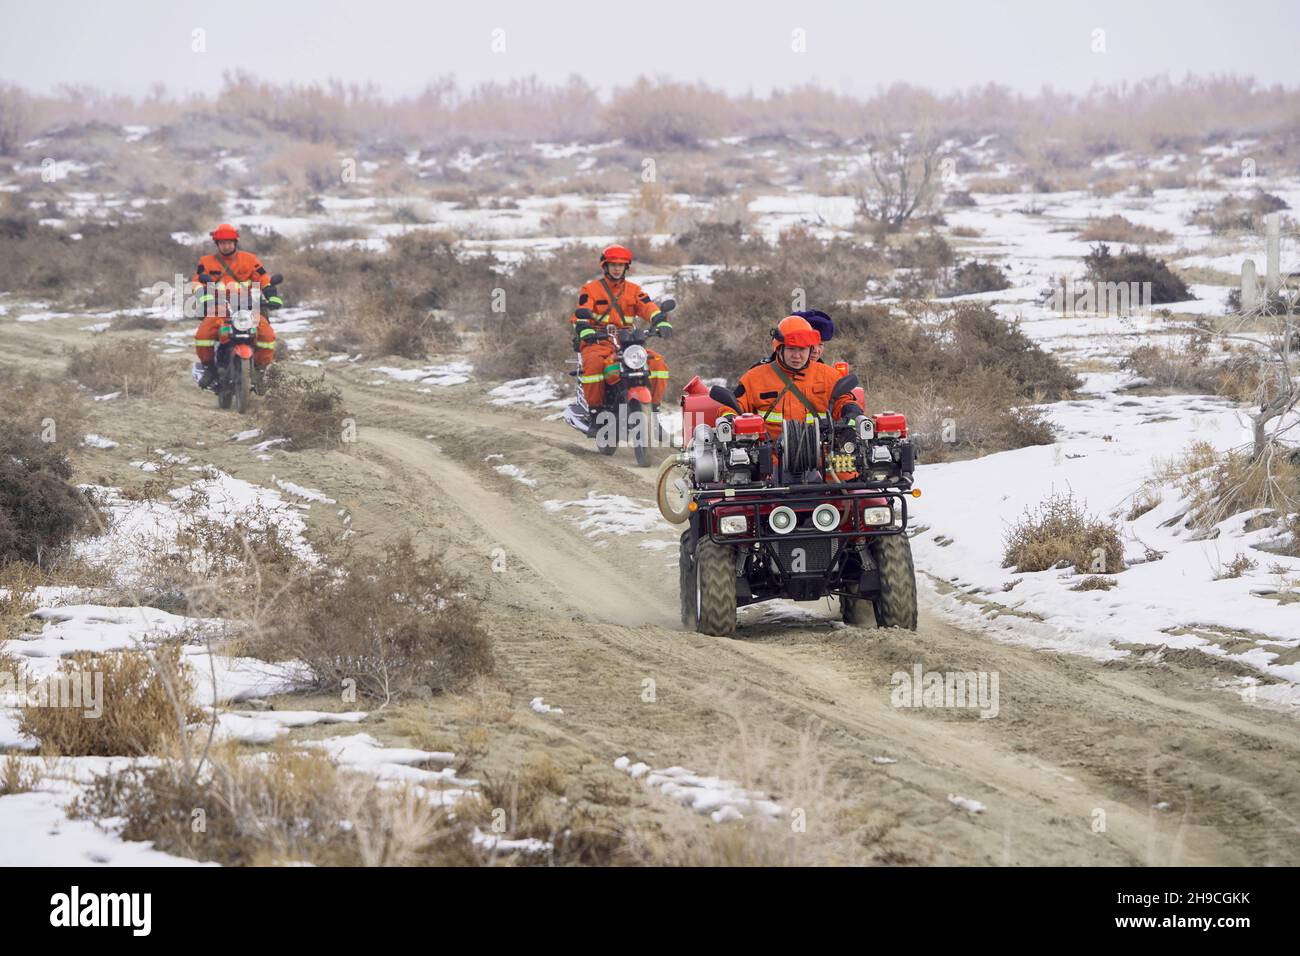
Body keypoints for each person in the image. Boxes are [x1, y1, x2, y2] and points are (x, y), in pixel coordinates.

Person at [570, 244, 671, 422]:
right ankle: (595, 415)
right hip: (598, 340)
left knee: (658, 364)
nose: (617, 268)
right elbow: (581, 312)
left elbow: (648, 306)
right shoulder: (590, 289)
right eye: (613, 264)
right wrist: (585, 330)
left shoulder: (634, 290)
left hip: (628, 341)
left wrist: (660, 321)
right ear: (605, 266)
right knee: (594, 366)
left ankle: (652, 413)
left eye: (621, 265)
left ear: (626, 267)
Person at [718, 315, 860, 439]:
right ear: (779, 348)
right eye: (791, 349)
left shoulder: (829, 376)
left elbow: (845, 401)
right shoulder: (754, 378)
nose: (797, 356)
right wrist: (729, 419)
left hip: (822, 459)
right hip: (767, 461)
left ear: (810, 348)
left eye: (802, 349)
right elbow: (732, 406)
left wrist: (851, 416)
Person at [192, 224, 282, 389]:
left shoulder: (250, 259)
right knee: (203, 335)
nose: (226, 246)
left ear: (235, 242)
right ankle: (209, 368)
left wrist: (272, 297)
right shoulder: (206, 262)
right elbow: (197, 282)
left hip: (248, 307)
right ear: (217, 244)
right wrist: (204, 298)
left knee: (267, 336)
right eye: (222, 243)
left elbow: (264, 279)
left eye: (229, 242)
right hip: (219, 307)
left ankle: (260, 371)